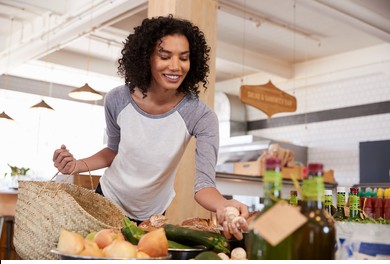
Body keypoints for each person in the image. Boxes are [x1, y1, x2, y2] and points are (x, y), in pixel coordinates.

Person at [52, 14, 248, 240]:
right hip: (107, 199)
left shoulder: (201, 116)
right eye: (165, 56)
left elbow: (204, 185)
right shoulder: (117, 99)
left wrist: (223, 205)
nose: (176, 66)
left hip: (152, 215)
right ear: (146, 58)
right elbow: (113, 151)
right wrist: (76, 165)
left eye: (184, 58)